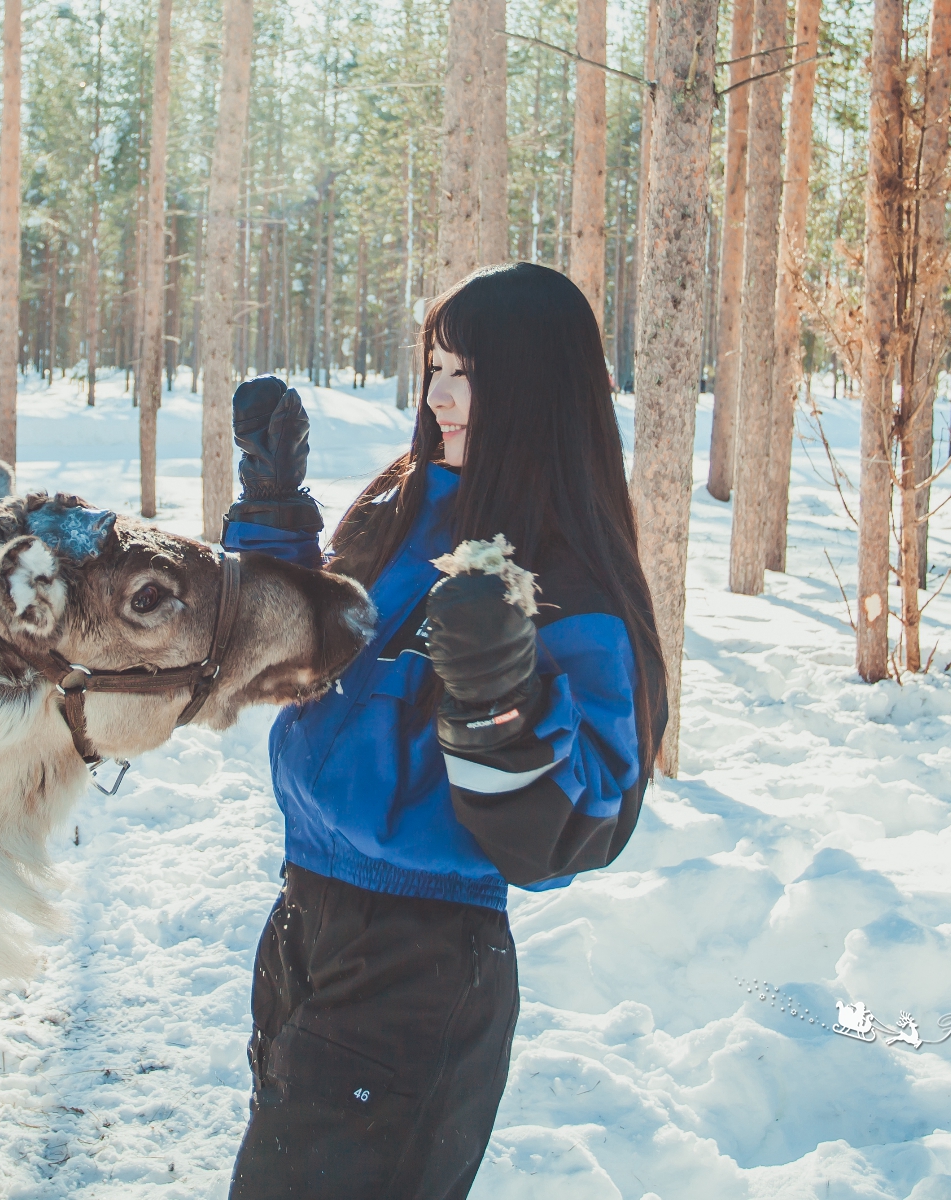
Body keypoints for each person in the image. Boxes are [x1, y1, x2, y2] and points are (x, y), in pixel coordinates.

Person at [218, 261, 667, 1200]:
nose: (437, 398)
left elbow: (578, 822)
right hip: (309, 909)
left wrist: (497, 698)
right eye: (432, 369)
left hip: (421, 960)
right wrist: (269, 517)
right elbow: (302, 650)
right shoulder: (404, 501)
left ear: (536, 388)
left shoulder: (563, 571)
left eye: (465, 373)